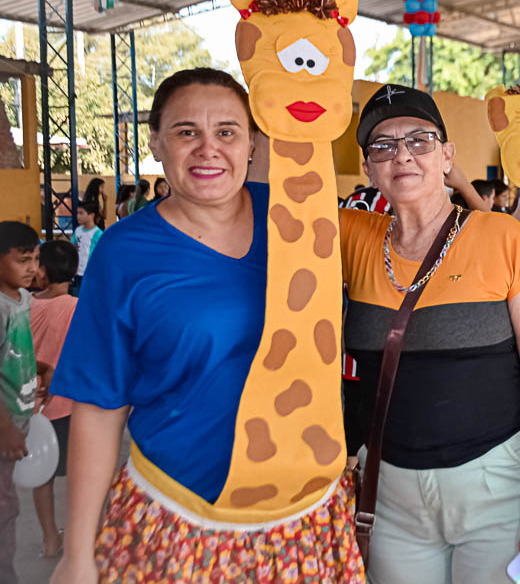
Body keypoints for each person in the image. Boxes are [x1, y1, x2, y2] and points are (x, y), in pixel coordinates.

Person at [48, 68, 364, 583]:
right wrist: (76, 552)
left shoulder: (305, 225)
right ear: (156, 143)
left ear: (253, 143)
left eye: (226, 132)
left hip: (306, 525)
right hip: (177, 519)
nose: (207, 149)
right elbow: (100, 405)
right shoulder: (125, 252)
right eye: (186, 131)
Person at [343, 83, 520, 584]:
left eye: (420, 140)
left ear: (447, 155)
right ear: (368, 167)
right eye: (382, 145)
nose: (402, 154)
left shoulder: (501, 238)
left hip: (499, 490)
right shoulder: (350, 237)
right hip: (391, 496)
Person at [28, 240, 78, 559]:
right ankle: (75, 538)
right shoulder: (75, 307)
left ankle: (49, 539)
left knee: (41, 476)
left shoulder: (25, 303)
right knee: (77, 473)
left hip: (31, 406)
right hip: (67, 405)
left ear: (42, 272)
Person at [0, 221, 41, 584]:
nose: (32, 267)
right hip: (3, 428)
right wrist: (8, 429)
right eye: (22, 260)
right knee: (4, 508)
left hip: (17, 420)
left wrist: (41, 367)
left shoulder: (22, 299)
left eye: (35, 259)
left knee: (8, 504)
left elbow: (14, 350)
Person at [70, 202, 103, 296]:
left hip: (92, 273)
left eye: (81, 213)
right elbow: (73, 249)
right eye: (77, 213)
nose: (78, 216)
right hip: (78, 273)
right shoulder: (77, 231)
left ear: (91, 215)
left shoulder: (98, 233)